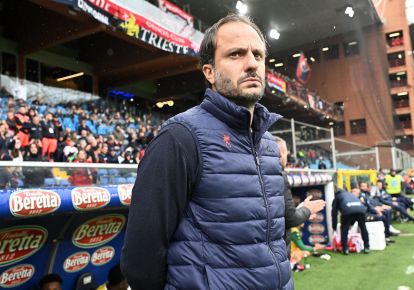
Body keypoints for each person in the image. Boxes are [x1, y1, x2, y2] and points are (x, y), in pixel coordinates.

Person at [121, 14, 293, 290]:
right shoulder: (179, 138)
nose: (251, 63)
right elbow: (141, 257)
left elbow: (275, 239)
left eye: (258, 55)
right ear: (209, 72)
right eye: (236, 54)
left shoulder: (270, 145)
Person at [276, 136, 326, 257]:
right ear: (281, 154)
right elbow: (291, 219)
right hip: (276, 251)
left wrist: (301, 208)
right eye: (286, 152)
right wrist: (307, 209)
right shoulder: (278, 177)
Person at [332, 188, 370, 255]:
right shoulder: (350, 194)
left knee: (344, 229)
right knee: (363, 227)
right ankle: (367, 247)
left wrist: (334, 227)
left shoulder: (337, 197)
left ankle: (345, 249)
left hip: (347, 211)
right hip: (361, 210)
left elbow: (334, 213)